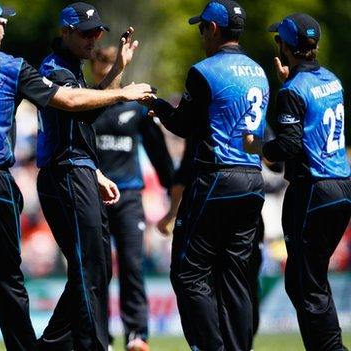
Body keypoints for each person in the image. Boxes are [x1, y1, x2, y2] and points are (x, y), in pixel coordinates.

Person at [0, 1, 153, 350]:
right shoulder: (12, 66)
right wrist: (122, 90)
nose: (6, 29)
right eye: (2, 22)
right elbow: (65, 101)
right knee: (9, 278)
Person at [143, 1, 270, 349]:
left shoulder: (204, 70)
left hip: (217, 179)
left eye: (202, 28)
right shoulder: (259, 71)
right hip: (251, 179)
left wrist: (154, 104)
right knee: (235, 276)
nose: (201, 36)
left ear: (212, 29)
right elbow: (255, 140)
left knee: (187, 271)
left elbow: (183, 125)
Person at [34, 3, 141, 350]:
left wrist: (117, 72)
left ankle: (53, 344)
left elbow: (85, 114)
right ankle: (88, 344)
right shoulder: (53, 67)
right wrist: (122, 91)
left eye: (97, 32)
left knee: (95, 268)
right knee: (89, 267)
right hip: (64, 174)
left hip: (79, 172)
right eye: (86, 33)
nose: (94, 39)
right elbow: (72, 103)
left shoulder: (74, 68)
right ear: (65, 32)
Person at [244, 13, 351, 351]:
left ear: (285, 46)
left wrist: (259, 147)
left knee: (306, 283)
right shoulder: (332, 80)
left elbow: (286, 147)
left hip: (313, 190)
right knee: (306, 279)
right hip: (341, 186)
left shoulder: (292, 91)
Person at [91, 46, 175, 351]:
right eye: (100, 59)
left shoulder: (137, 109)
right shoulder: (87, 104)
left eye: (111, 60)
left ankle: (137, 335)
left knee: (131, 266)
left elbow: (159, 154)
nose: (104, 65)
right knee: (97, 269)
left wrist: (174, 189)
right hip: (93, 197)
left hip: (128, 197)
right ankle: (100, 338)